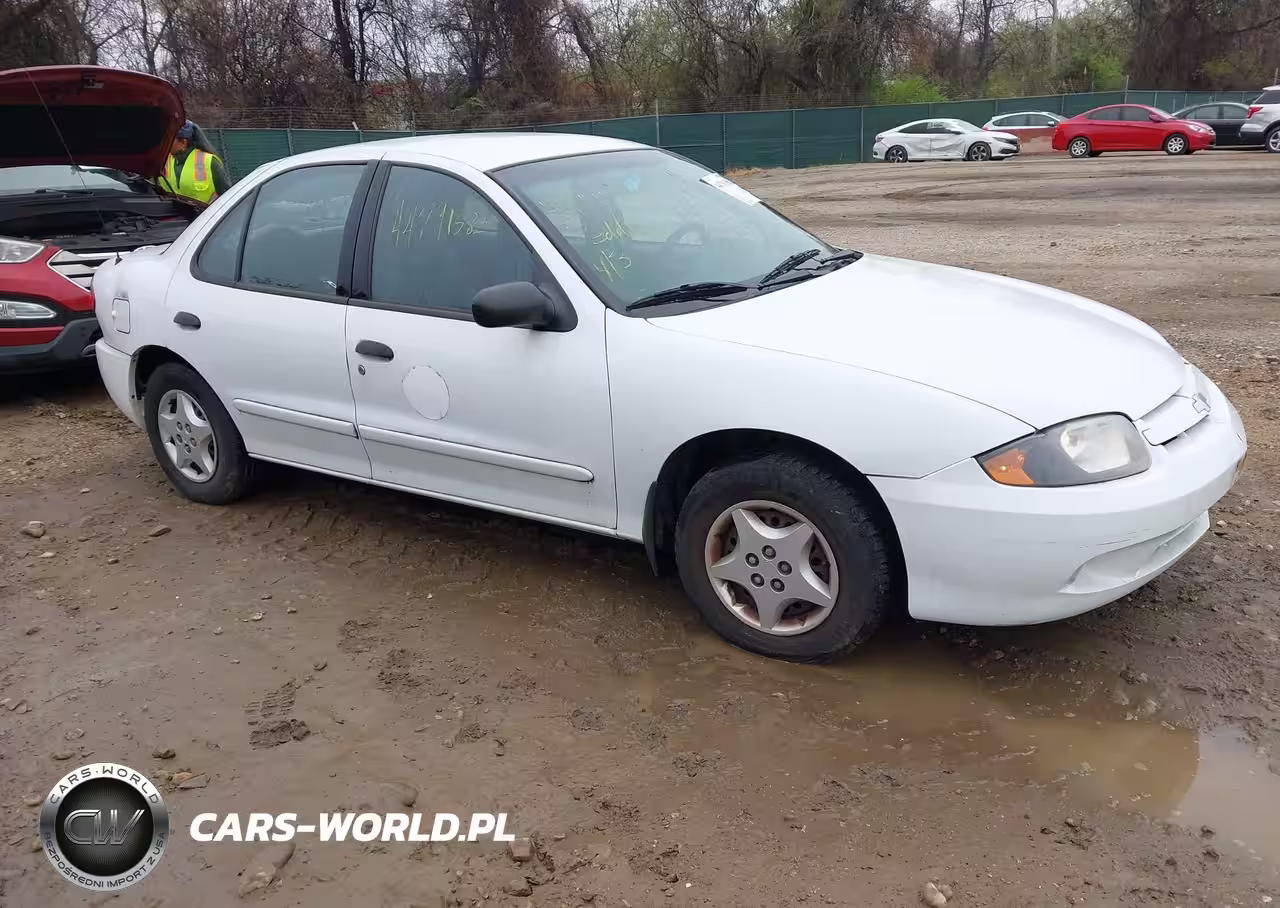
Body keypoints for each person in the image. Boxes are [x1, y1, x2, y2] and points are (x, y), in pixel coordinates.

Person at [158, 120, 230, 204]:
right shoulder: (165, 161)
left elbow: (227, 196)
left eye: (169, 139)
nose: (164, 143)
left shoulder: (210, 162)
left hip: (206, 215)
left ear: (183, 143)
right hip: (172, 215)